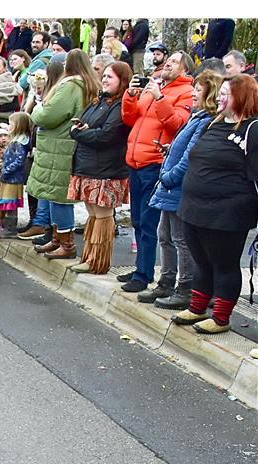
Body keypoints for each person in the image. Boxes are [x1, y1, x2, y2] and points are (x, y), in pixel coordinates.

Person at [170, 76, 258, 334]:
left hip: (227, 212)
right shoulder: (213, 123)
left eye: (226, 94)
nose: (219, 97)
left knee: (224, 263)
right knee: (202, 260)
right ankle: (197, 307)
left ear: (242, 97)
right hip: (194, 207)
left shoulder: (252, 129)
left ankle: (221, 317)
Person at [143, 69, 223, 308]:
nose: (193, 94)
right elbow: (182, 148)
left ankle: (185, 286)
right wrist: (169, 151)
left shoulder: (206, 120)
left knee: (180, 239)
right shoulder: (195, 117)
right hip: (171, 186)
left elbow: (190, 155)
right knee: (164, 235)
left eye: (198, 90)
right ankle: (166, 280)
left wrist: (169, 176)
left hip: (178, 186)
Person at [118, 51, 194, 293]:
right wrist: (130, 95)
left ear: (185, 70)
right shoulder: (155, 88)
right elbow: (131, 118)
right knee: (138, 221)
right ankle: (143, 267)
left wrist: (159, 97)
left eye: (173, 62)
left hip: (153, 163)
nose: (167, 64)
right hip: (135, 161)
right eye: (168, 61)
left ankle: (144, 274)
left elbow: (176, 124)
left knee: (149, 222)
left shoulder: (185, 93)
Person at [28, 49, 96, 260]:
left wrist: (37, 109)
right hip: (67, 146)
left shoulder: (71, 87)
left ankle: (66, 243)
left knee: (59, 197)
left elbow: (47, 116)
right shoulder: (89, 86)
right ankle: (57, 239)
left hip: (59, 148)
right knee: (58, 195)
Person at [66, 61, 132, 274]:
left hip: (107, 169)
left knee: (103, 216)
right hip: (87, 164)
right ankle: (89, 256)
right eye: (103, 76)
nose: (104, 79)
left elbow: (106, 135)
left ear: (122, 81)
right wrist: (82, 131)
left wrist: (79, 133)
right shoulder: (98, 101)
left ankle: (98, 261)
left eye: (110, 77)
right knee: (92, 214)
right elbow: (84, 126)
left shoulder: (121, 104)